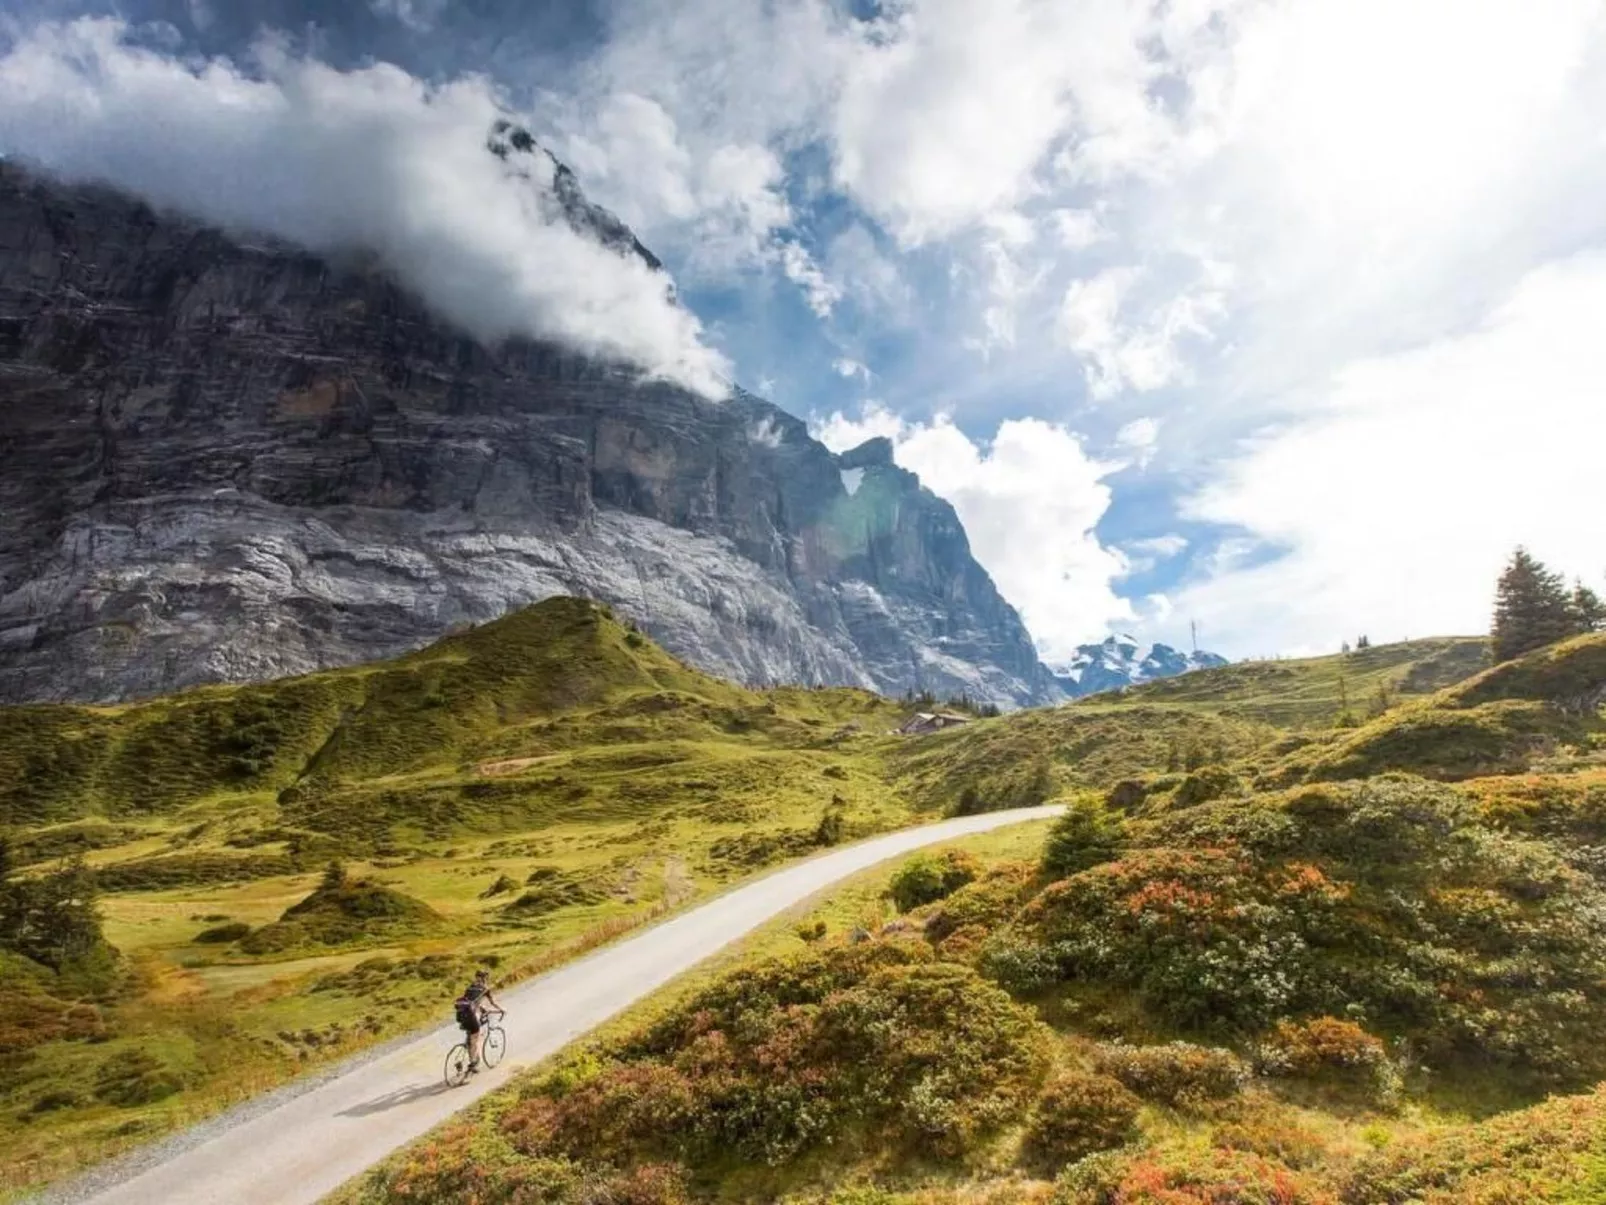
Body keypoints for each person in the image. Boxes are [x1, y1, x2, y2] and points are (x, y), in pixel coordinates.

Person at [453, 969, 502, 1071]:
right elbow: (493, 1003)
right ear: (484, 978)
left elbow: (471, 1002)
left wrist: (481, 1008)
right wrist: (502, 1010)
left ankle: (471, 1058)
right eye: (486, 978)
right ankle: (472, 1063)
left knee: (471, 1038)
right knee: (475, 1038)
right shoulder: (484, 989)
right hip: (472, 1016)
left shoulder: (469, 988)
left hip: (462, 1017)